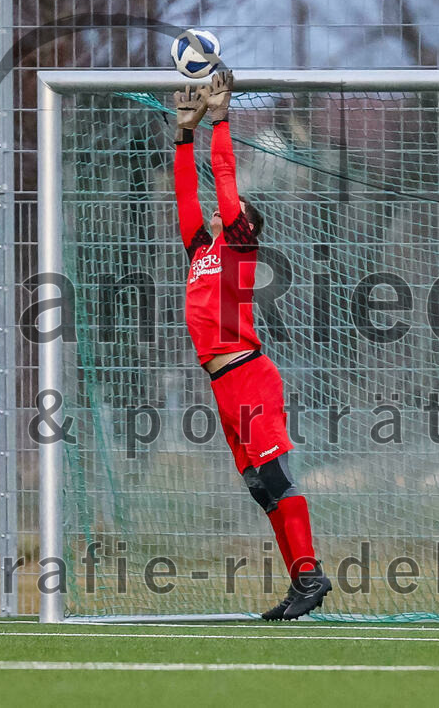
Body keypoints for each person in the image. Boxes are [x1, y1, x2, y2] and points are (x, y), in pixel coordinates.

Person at [172, 71, 331, 620]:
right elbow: (185, 197)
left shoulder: (238, 246)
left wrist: (220, 120)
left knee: (279, 477)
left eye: (229, 213)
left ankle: (310, 574)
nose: (219, 213)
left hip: (249, 375)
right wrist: (182, 134)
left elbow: (223, 179)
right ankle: (301, 582)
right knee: (262, 488)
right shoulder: (201, 250)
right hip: (223, 384)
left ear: (246, 227)